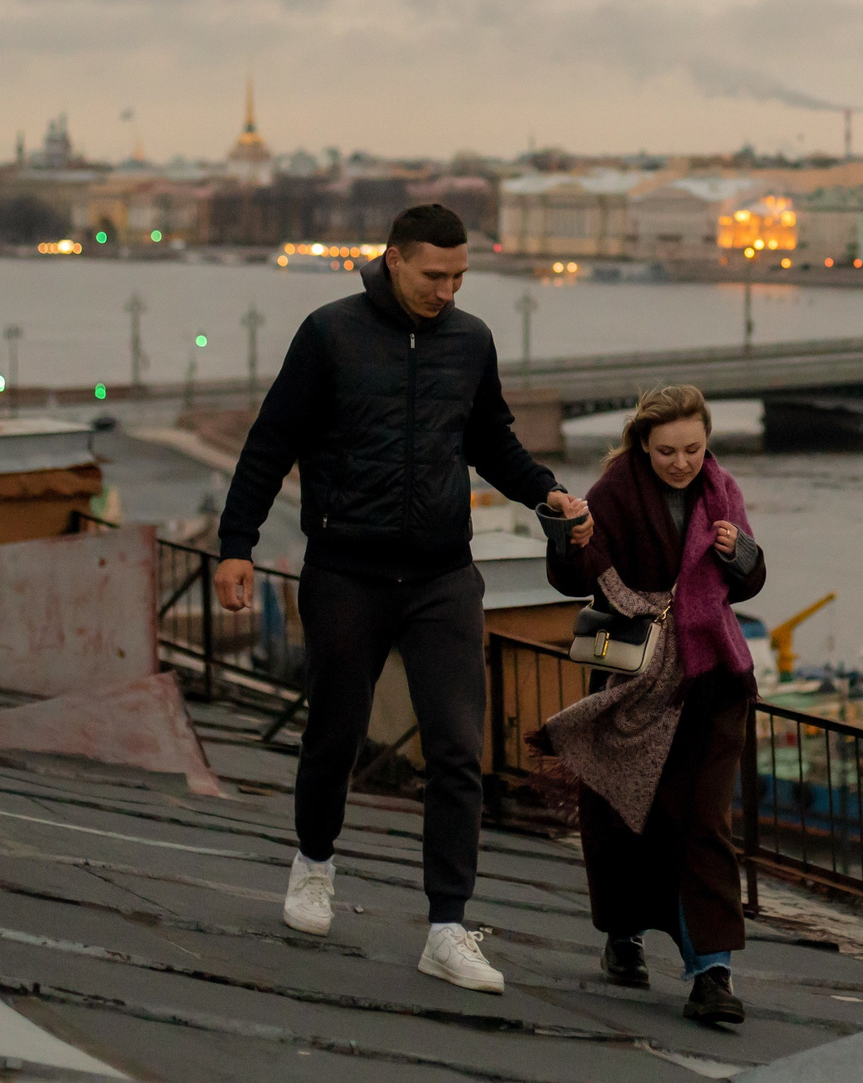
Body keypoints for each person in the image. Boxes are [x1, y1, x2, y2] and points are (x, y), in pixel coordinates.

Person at [212, 203, 587, 995]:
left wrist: (544, 491)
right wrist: (236, 544)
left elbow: (489, 440)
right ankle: (314, 861)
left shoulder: (471, 340)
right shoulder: (330, 333)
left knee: (457, 747)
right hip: (346, 570)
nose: (447, 291)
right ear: (393, 259)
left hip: (443, 575)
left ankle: (447, 926)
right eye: (434, 275)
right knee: (335, 733)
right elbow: (271, 441)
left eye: (460, 277)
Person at [534, 384, 766, 1029]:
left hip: (711, 677)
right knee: (618, 811)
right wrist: (568, 537)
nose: (682, 462)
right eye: (667, 451)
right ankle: (623, 934)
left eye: (693, 448)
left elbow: (748, 582)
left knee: (703, 822)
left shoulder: (723, 491)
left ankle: (712, 973)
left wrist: (741, 555)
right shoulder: (613, 493)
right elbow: (575, 577)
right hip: (632, 678)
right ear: (642, 444)